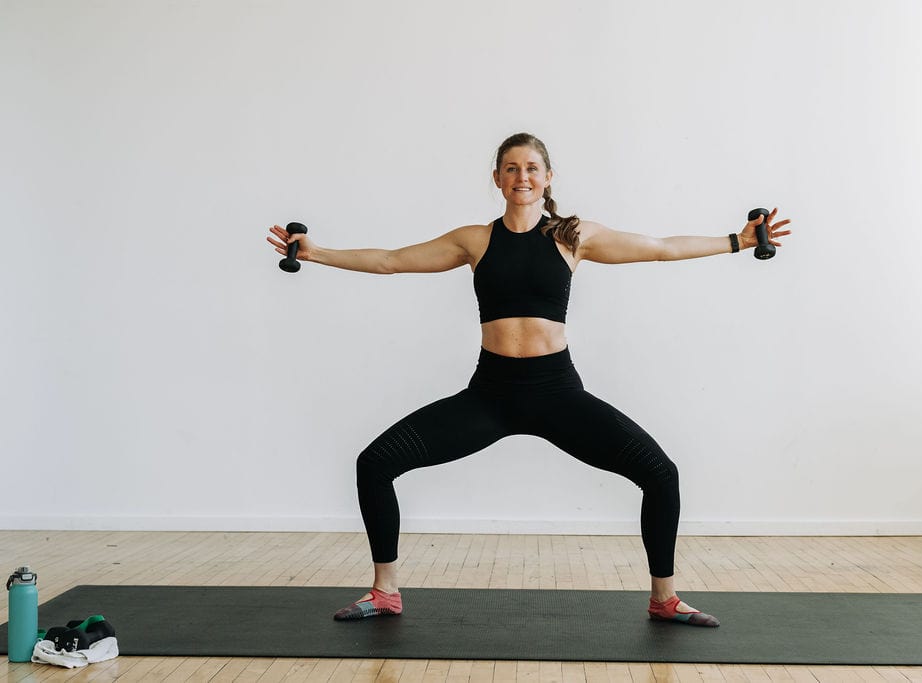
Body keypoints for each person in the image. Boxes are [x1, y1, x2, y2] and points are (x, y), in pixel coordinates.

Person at [266, 132, 791, 626]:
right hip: (490, 394)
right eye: (511, 168)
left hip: (556, 393)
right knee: (375, 462)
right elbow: (391, 261)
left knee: (661, 473)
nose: (522, 176)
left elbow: (658, 246)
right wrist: (317, 253)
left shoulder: (573, 236)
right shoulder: (475, 240)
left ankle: (664, 598)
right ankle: (384, 592)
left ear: (548, 178)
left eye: (532, 167)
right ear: (496, 178)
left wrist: (736, 241)